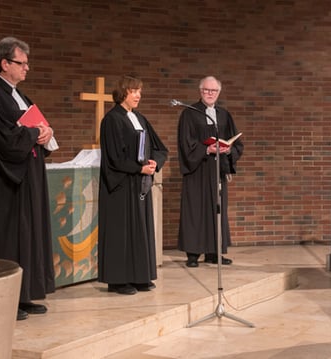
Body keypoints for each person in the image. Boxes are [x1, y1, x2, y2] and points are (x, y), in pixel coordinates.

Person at [0, 37, 56, 321]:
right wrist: (33, 134)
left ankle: (23, 294)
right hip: (3, 184)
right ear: (5, 63)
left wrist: (47, 133)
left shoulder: (19, 95)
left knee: (26, 237)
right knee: (7, 240)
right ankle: (5, 299)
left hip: (25, 180)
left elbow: (34, 127)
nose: (27, 68)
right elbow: (2, 139)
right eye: (22, 63)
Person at [98, 75, 168, 295]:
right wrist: (138, 169)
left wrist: (155, 162)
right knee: (122, 232)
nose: (138, 95)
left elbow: (159, 146)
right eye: (133, 91)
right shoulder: (112, 120)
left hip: (139, 183)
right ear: (122, 93)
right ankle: (118, 280)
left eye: (139, 91)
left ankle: (139, 276)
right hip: (121, 185)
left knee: (139, 229)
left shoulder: (139, 118)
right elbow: (113, 157)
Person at [177, 76, 244, 268]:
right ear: (200, 91)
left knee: (217, 209)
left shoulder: (224, 115)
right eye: (206, 90)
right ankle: (192, 254)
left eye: (213, 91)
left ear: (219, 93)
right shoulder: (189, 114)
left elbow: (236, 141)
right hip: (198, 169)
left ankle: (214, 252)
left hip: (217, 169)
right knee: (195, 211)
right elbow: (185, 143)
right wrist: (206, 149)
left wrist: (228, 149)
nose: (209, 94)